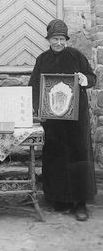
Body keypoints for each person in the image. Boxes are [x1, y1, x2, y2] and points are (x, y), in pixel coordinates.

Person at [28, 19, 97, 221]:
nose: (58, 42)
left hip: (76, 121)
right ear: (48, 40)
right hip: (53, 121)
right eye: (54, 39)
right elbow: (34, 86)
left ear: (66, 40)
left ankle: (80, 203)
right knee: (56, 157)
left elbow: (92, 77)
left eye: (61, 39)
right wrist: (38, 109)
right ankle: (60, 199)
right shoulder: (42, 59)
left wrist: (85, 80)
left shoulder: (76, 56)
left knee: (78, 157)